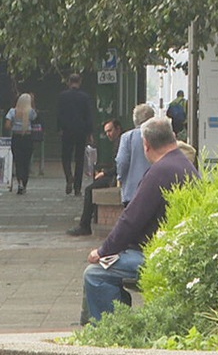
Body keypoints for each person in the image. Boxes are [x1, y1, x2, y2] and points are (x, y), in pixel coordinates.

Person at [83, 116, 198, 323]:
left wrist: (102, 251)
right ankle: (119, 322)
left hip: (155, 254)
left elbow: (130, 220)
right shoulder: (184, 165)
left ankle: (111, 329)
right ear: (173, 137)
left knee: (96, 274)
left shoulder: (159, 172)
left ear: (146, 145)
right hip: (176, 249)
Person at [67, 119, 124, 236]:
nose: (108, 134)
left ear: (118, 129)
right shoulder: (119, 141)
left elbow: (121, 165)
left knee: (89, 190)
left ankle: (85, 225)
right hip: (114, 174)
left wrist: (105, 173)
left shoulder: (122, 142)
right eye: (106, 132)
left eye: (110, 130)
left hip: (116, 178)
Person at [56, 73, 96, 196]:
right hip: (81, 131)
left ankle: (69, 177)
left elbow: (59, 114)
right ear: (80, 82)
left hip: (67, 130)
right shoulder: (85, 97)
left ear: (68, 82)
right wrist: (89, 133)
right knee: (79, 159)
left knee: (65, 157)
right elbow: (88, 116)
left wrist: (59, 128)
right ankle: (77, 188)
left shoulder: (62, 97)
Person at [116, 103, 157, 205]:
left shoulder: (127, 137)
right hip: (154, 191)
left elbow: (122, 161)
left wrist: (120, 177)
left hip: (132, 191)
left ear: (135, 119)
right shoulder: (159, 136)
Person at [4, 93, 38, 194]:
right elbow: (35, 117)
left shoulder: (12, 111)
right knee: (26, 162)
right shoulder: (30, 112)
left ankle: (19, 183)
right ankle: (25, 183)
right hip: (28, 137)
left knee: (18, 162)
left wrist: (14, 127)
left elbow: (7, 125)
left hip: (17, 137)